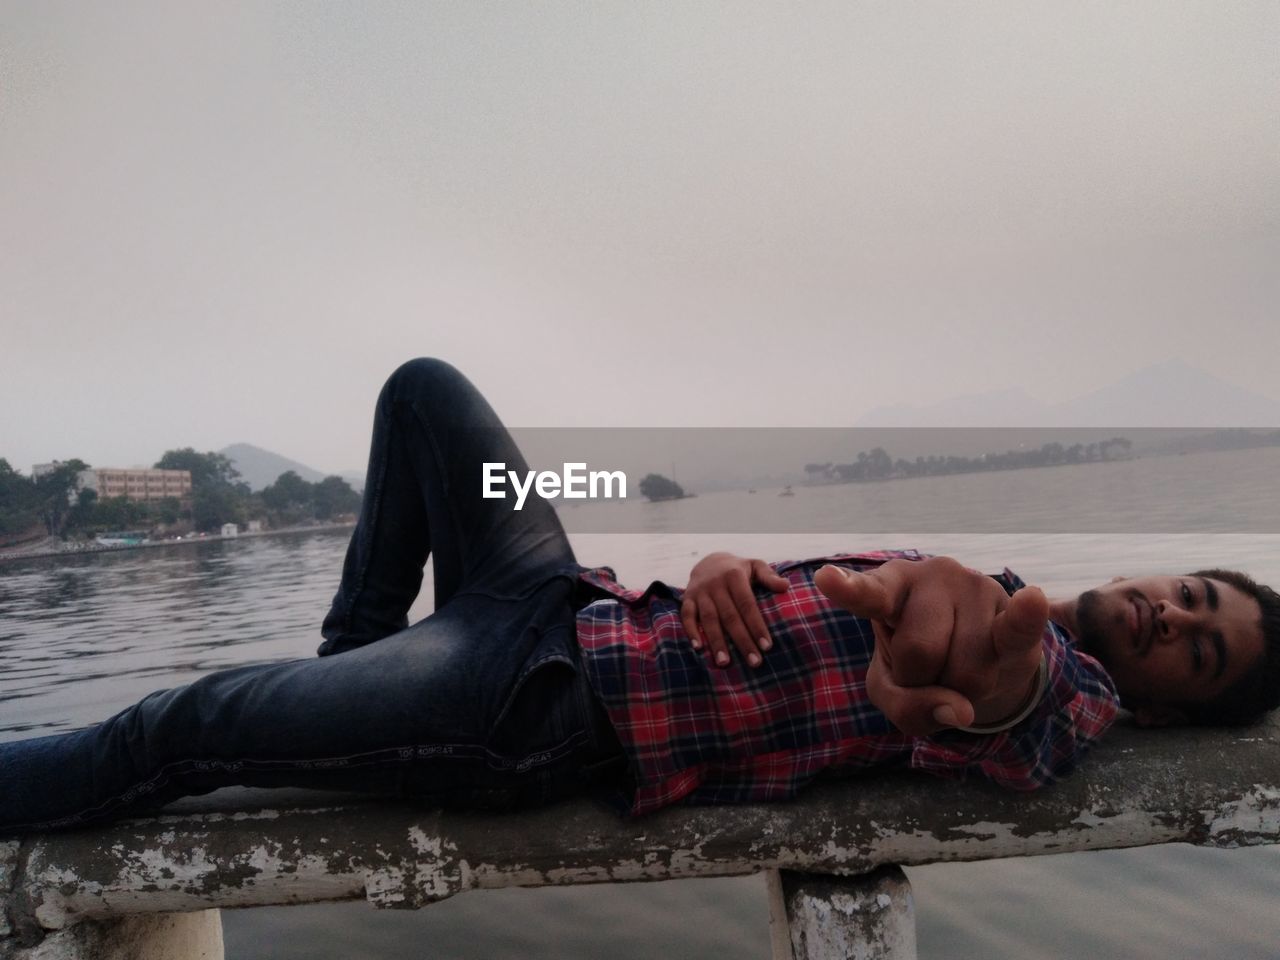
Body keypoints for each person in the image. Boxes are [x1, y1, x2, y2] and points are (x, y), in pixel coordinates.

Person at [2, 359, 1278, 834]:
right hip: (564, 600)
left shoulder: (1051, 691)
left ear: (1165, 710)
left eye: (1201, 653)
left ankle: (343, 703)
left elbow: (1005, 720)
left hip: (541, 702)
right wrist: (725, 569)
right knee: (425, 393)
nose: (1172, 617)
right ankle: (348, 675)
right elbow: (831, 600)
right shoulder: (993, 589)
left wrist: (994, 697)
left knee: (174, 729)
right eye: (1191, 594)